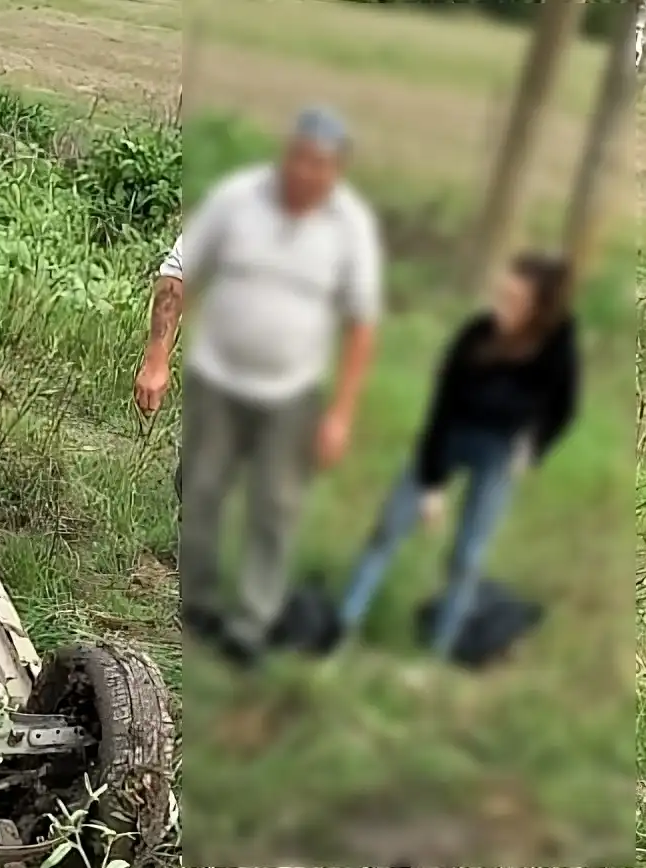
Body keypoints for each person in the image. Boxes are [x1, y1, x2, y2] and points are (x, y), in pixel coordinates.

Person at [135, 105, 383, 663]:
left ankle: (249, 625)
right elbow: (178, 273)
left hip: (292, 393)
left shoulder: (349, 227)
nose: (306, 175)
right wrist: (157, 356)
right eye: (299, 160)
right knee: (198, 488)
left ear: (336, 172)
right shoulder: (237, 202)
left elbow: (362, 322)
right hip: (218, 383)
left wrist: (341, 414)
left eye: (321, 166)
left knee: (275, 506)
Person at [338, 252, 580, 657]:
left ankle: (439, 650)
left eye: (515, 300)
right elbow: (439, 411)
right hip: (451, 435)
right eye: (501, 294)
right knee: (388, 528)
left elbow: (564, 405)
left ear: (538, 309)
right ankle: (343, 624)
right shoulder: (475, 335)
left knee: (468, 555)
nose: (502, 306)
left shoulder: (557, 343)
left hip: (499, 450)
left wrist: (534, 447)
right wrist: (432, 485)